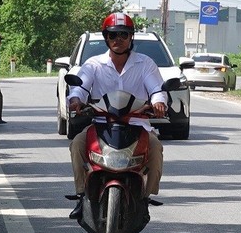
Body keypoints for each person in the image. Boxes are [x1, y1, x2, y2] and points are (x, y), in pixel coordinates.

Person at [67, 12, 167, 220]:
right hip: (102, 124)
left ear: (131, 37)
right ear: (106, 38)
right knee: (77, 143)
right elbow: (81, 87)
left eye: (123, 34)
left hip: (137, 124)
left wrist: (159, 102)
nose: (118, 40)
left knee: (156, 147)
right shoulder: (94, 64)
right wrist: (76, 99)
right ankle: (82, 195)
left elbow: (157, 89)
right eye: (113, 35)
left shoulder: (145, 64)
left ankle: (145, 197)